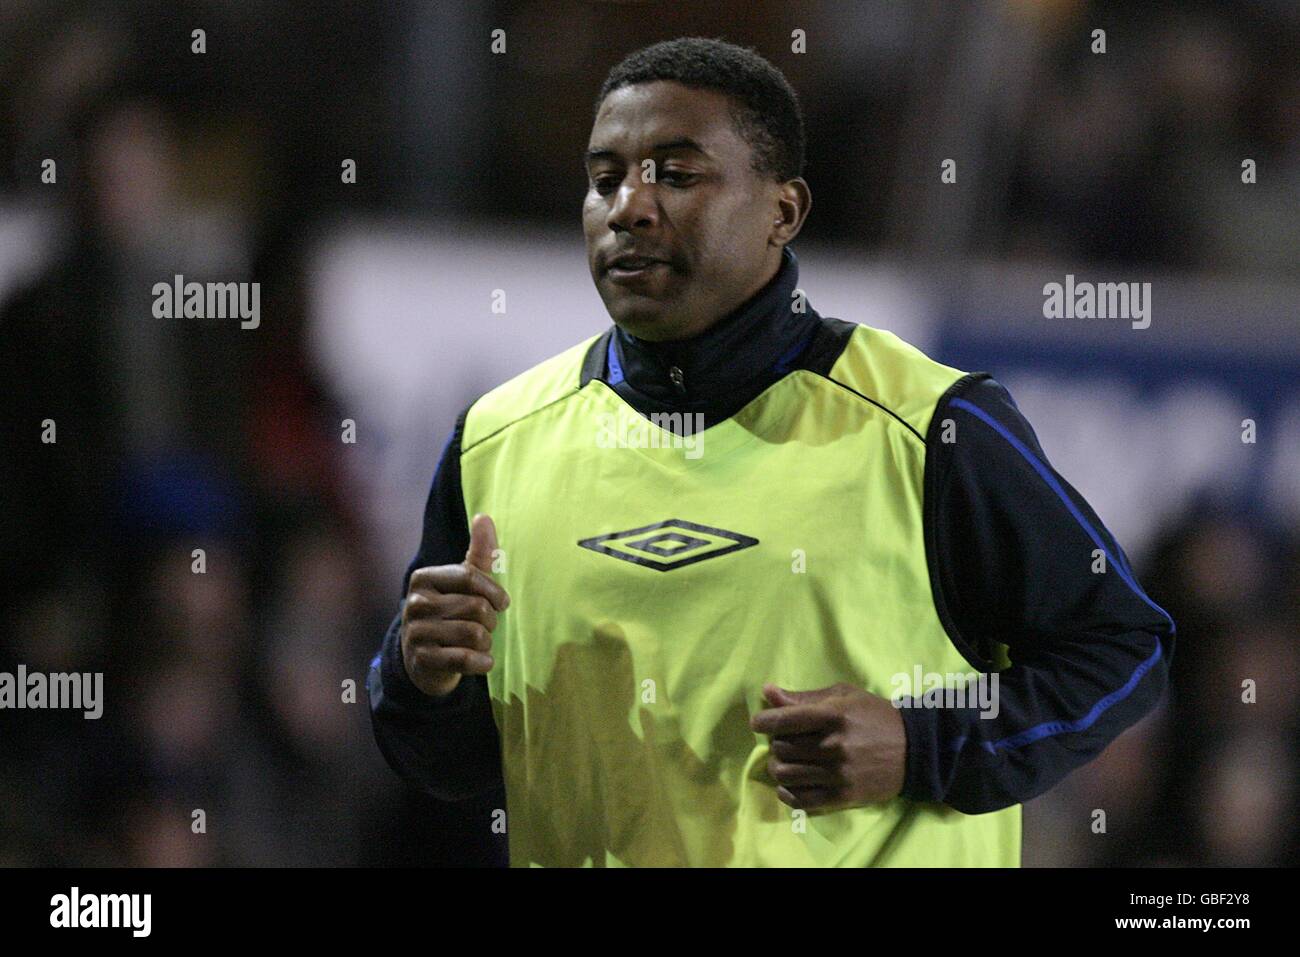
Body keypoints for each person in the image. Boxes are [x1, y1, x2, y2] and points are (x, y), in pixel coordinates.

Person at [366, 37, 1175, 867]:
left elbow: (1122, 647)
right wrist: (419, 679)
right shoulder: (495, 442)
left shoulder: (930, 424)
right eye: (606, 179)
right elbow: (454, 765)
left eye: (676, 174)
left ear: (782, 212)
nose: (629, 207)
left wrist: (920, 744)